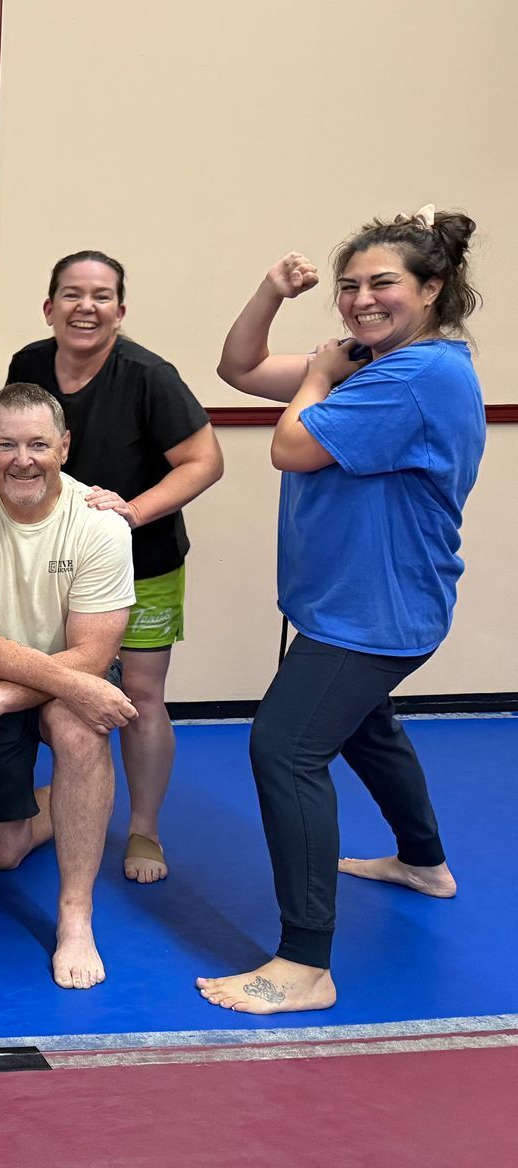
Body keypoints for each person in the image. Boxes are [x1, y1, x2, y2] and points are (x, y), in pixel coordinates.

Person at [200, 212, 482, 1015]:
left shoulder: (412, 375)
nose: (361, 299)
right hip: (349, 604)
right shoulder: (381, 361)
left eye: (383, 283)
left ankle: (305, 963)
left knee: (284, 749)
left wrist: (321, 377)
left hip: (375, 610)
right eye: (350, 284)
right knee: (365, 724)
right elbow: (240, 366)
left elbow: (290, 446)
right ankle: (423, 861)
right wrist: (271, 292)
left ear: (432, 290)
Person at [6, 251, 223, 883]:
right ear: (49, 308)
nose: (86, 307)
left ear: (120, 312)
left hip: (143, 562)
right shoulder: (29, 365)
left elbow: (204, 462)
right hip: (57, 565)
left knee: (141, 696)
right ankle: (33, 800)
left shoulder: (150, 377)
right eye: (71, 295)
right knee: (51, 683)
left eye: (101, 296)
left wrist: (130, 513)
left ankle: (144, 830)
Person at [0, 382, 138, 989]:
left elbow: (96, 653)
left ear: (64, 447)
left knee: (79, 726)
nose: (24, 459)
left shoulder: (100, 523)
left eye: (39, 444)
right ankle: (63, 804)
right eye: (8, 445)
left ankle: (76, 913)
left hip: (72, 677)